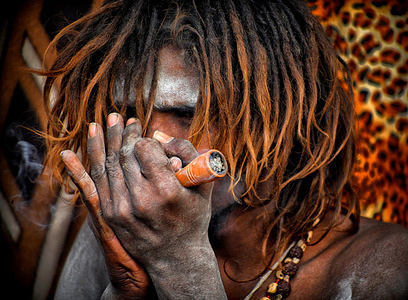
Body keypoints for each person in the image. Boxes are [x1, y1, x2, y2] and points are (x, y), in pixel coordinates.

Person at [39, 0, 408, 299]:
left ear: (280, 118)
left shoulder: (388, 267)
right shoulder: (123, 226)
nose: (149, 147)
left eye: (188, 114)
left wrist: (180, 265)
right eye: (130, 114)